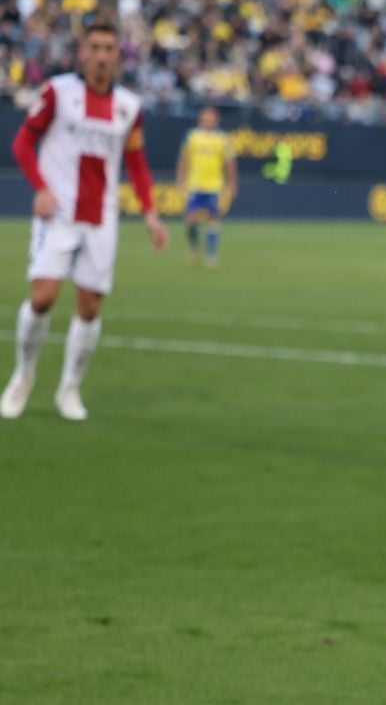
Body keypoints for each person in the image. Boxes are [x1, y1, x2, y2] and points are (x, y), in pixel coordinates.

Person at [4, 21, 168, 423]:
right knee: (42, 297)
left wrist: (149, 211)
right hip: (58, 214)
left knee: (90, 308)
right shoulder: (58, 93)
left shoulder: (129, 107)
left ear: (118, 56)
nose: (101, 55)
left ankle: (70, 388)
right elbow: (22, 143)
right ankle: (23, 375)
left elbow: (137, 162)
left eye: (109, 48)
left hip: (101, 219)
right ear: (82, 51)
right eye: (94, 47)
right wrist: (41, 187)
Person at [177, 106, 238, 267]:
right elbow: (184, 159)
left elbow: (230, 164)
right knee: (190, 219)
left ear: (216, 121)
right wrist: (180, 179)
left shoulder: (222, 139)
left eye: (211, 119)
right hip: (195, 184)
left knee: (213, 218)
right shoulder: (193, 137)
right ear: (201, 120)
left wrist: (232, 184)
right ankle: (194, 247)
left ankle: (211, 254)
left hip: (214, 186)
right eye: (205, 119)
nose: (208, 122)